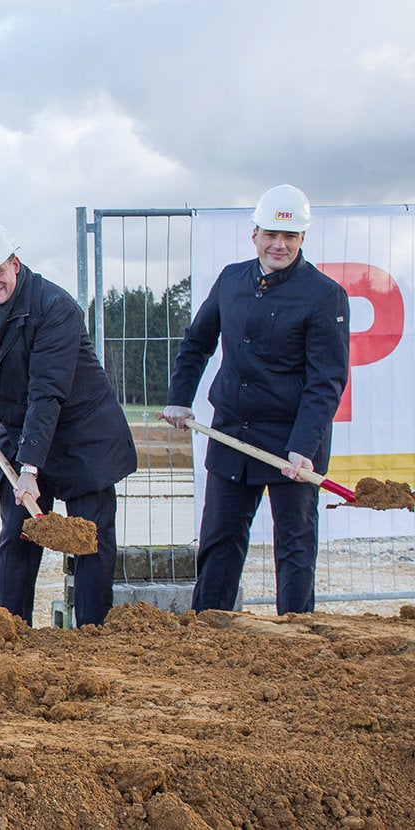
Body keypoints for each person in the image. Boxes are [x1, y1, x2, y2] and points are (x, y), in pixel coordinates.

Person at [162, 185, 350, 614]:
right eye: (270, 234)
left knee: (295, 547)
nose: (278, 244)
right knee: (219, 543)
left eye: (290, 237)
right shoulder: (231, 279)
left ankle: (296, 635)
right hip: (232, 435)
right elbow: (196, 343)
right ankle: (209, 627)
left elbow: (326, 382)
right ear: (255, 234)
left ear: (303, 239)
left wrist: (303, 448)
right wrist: (179, 398)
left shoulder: (325, 296)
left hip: (293, 445)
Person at [0, 221, 137, 628]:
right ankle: (6, 630)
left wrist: (29, 469)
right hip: (29, 433)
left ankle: (92, 635)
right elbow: (13, 374)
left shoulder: (55, 307)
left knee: (88, 540)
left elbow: (47, 389)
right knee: (18, 535)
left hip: (82, 439)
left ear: (15, 264)